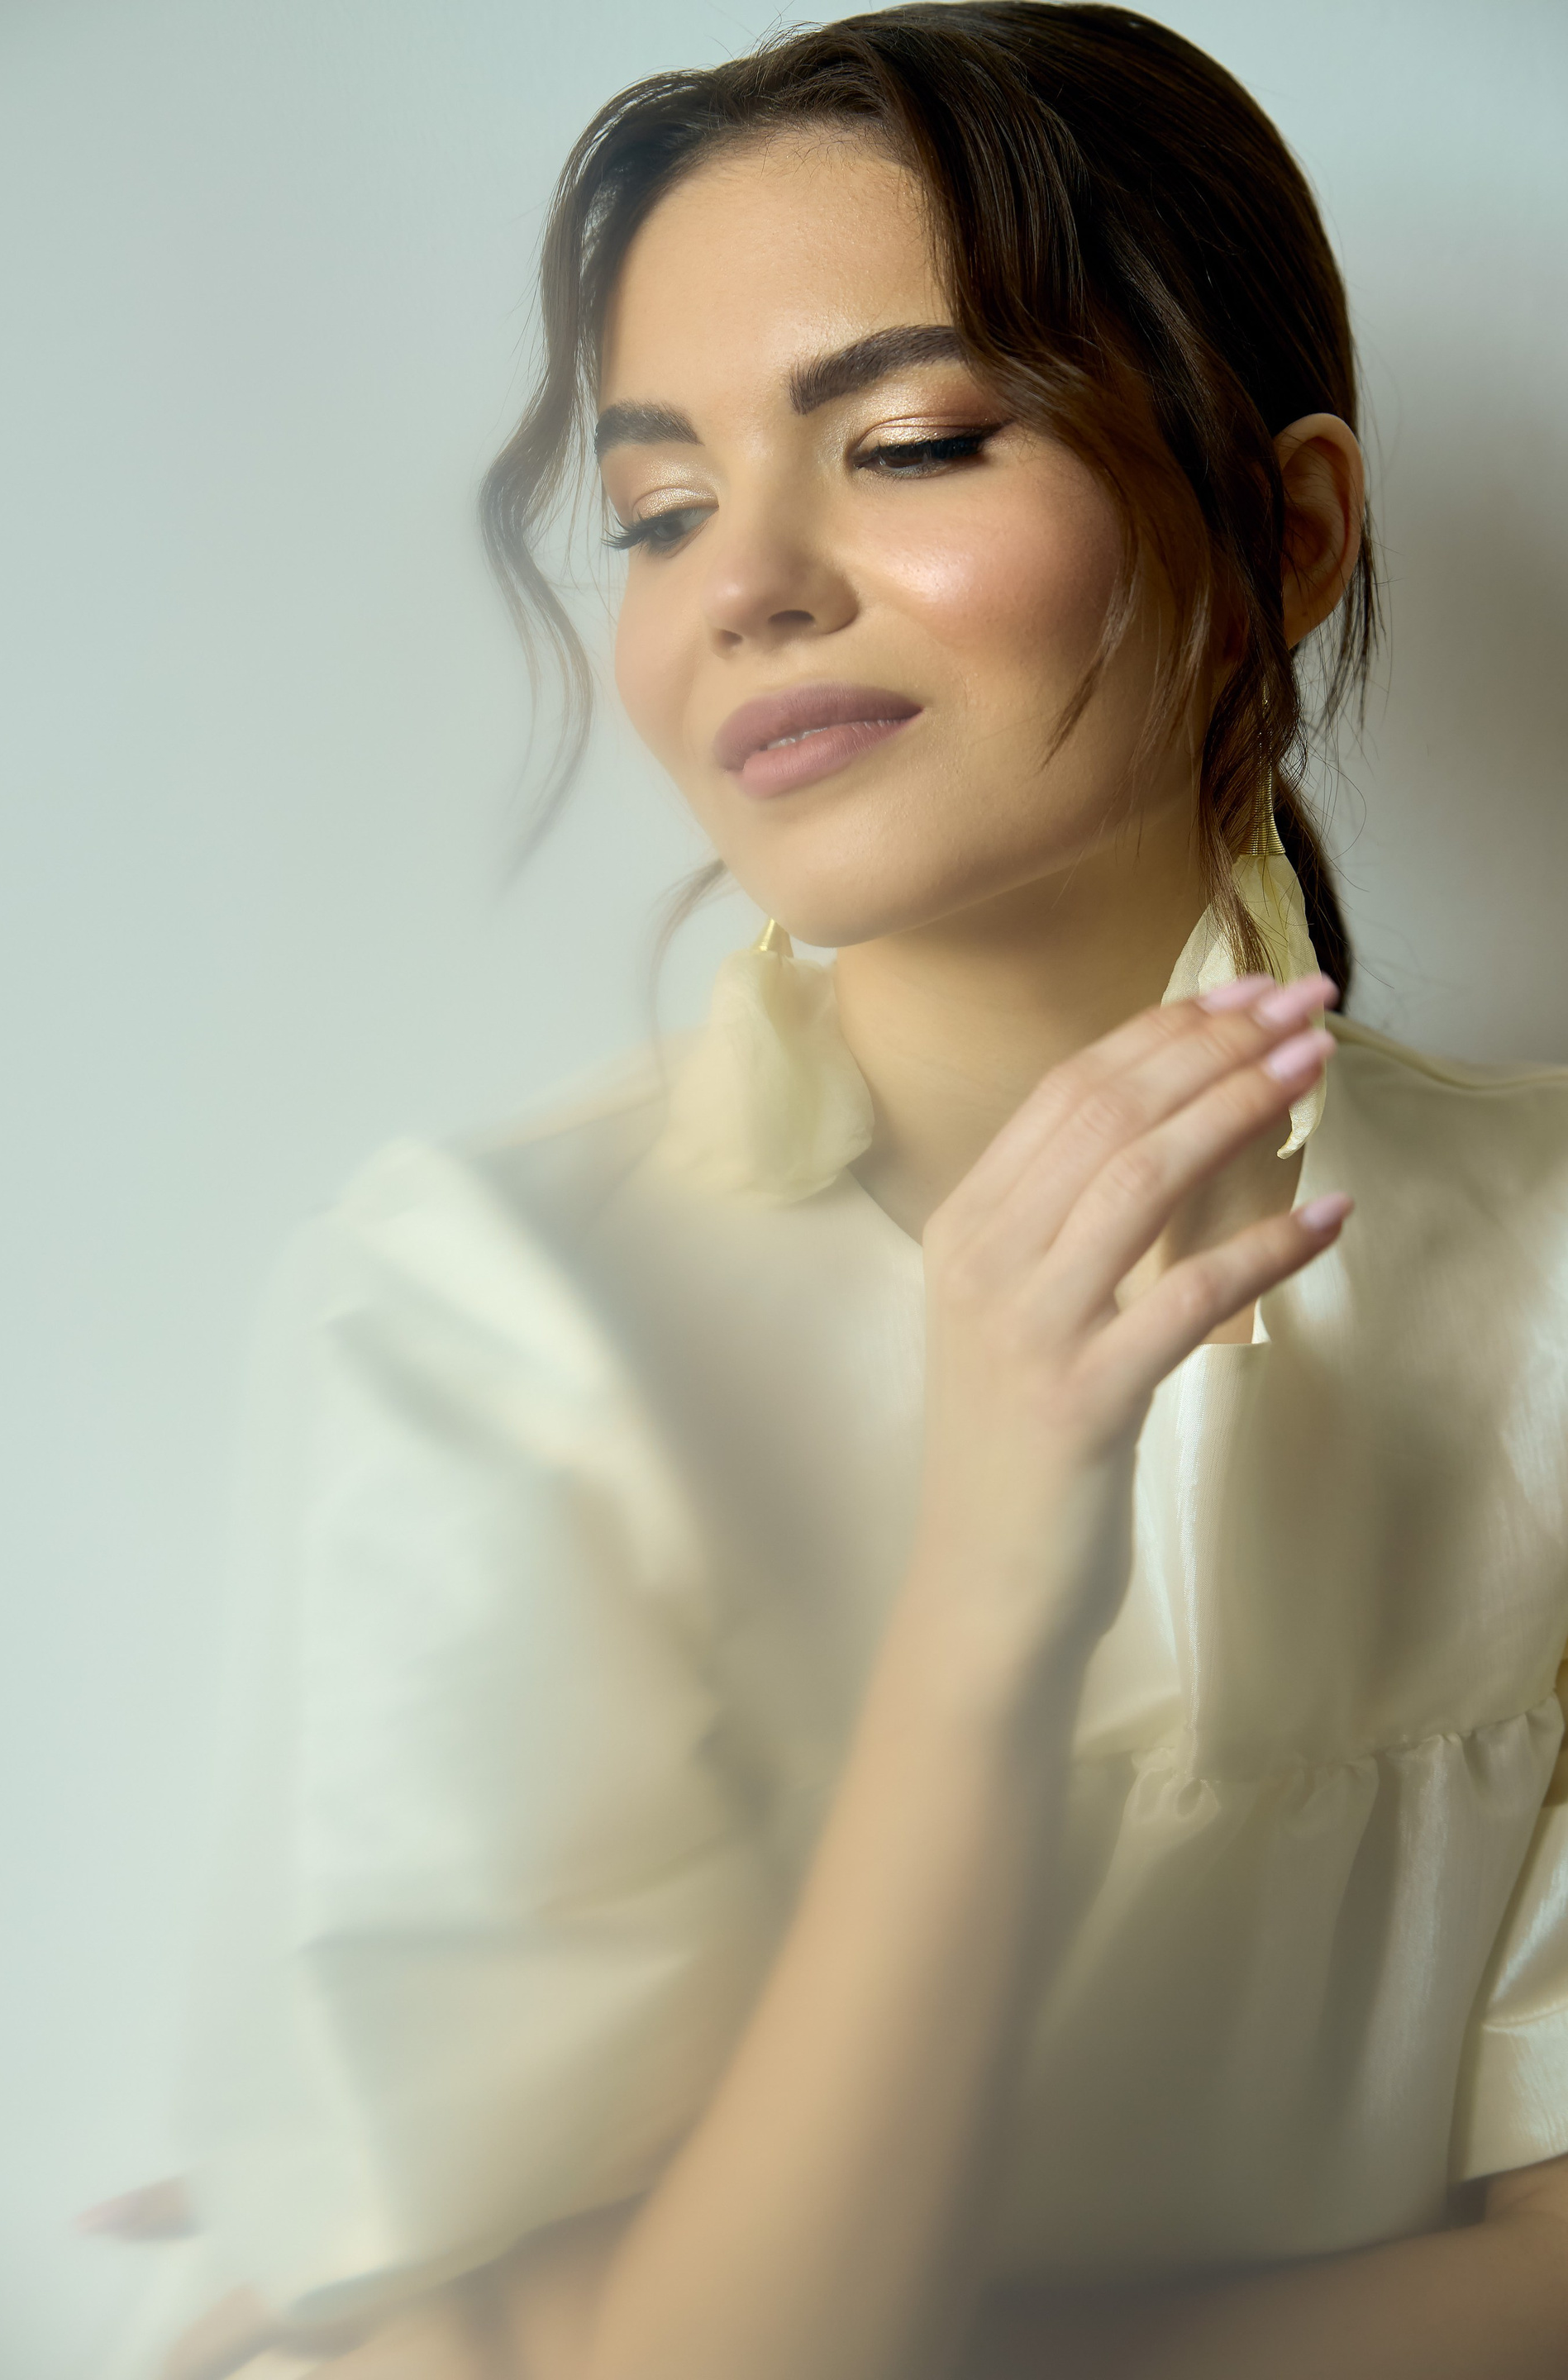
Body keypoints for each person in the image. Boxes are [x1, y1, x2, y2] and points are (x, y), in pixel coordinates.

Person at [91, 7, 1568, 2377]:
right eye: (661, 509)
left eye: (907, 443)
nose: (744, 585)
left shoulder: (1547, 1266)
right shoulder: (495, 1315)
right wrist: (988, 1594)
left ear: (1287, 529)